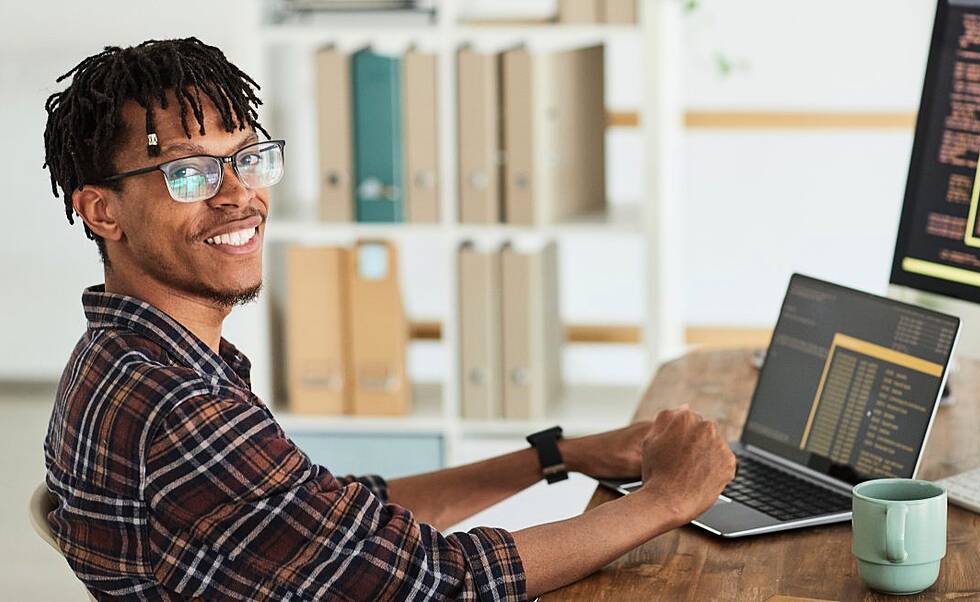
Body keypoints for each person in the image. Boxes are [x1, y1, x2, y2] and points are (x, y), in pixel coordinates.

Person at [41, 37, 737, 600]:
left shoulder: (131, 356)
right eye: (188, 173)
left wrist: (559, 455)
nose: (238, 196)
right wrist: (665, 502)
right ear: (102, 210)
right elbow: (441, 581)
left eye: (248, 159)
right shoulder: (179, 407)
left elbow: (342, 525)